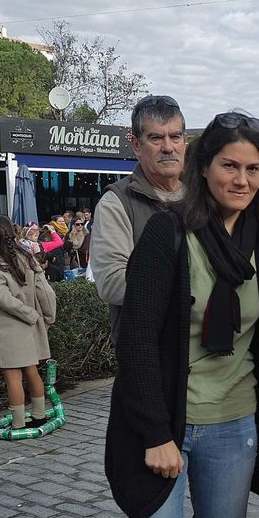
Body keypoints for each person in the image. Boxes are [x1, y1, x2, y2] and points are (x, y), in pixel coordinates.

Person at [106, 111, 259, 518]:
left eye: (253, 169)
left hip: (234, 422)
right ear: (204, 167)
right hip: (164, 424)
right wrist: (154, 433)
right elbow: (138, 340)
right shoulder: (168, 234)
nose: (241, 180)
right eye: (229, 165)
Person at [90, 95, 187, 340]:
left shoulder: (204, 196)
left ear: (185, 141)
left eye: (175, 136)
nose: (168, 147)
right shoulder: (117, 202)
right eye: (155, 137)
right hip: (148, 350)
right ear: (136, 145)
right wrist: (194, 283)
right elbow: (112, 283)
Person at [0, 215, 57, 429]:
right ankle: (40, 415)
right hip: (30, 326)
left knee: (12, 376)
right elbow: (45, 291)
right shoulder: (29, 258)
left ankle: (19, 422)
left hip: (7, 327)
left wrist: (30, 314)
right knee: (32, 370)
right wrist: (47, 317)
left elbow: (4, 300)